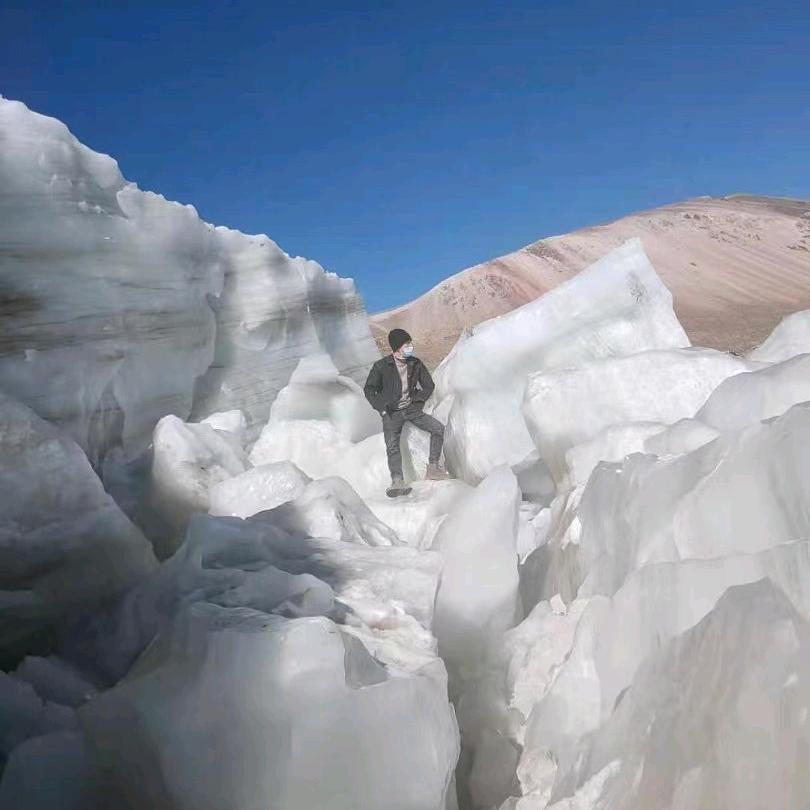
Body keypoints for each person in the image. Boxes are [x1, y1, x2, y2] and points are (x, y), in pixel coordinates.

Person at [363, 328, 451, 497]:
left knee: (438, 428)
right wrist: (381, 408)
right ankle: (397, 481)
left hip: (411, 409)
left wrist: (417, 402)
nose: (410, 346)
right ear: (397, 347)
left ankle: (433, 468)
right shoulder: (381, 366)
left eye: (410, 343)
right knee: (392, 446)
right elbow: (369, 389)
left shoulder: (415, 363)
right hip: (391, 412)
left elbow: (429, 385)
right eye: (407, 344)